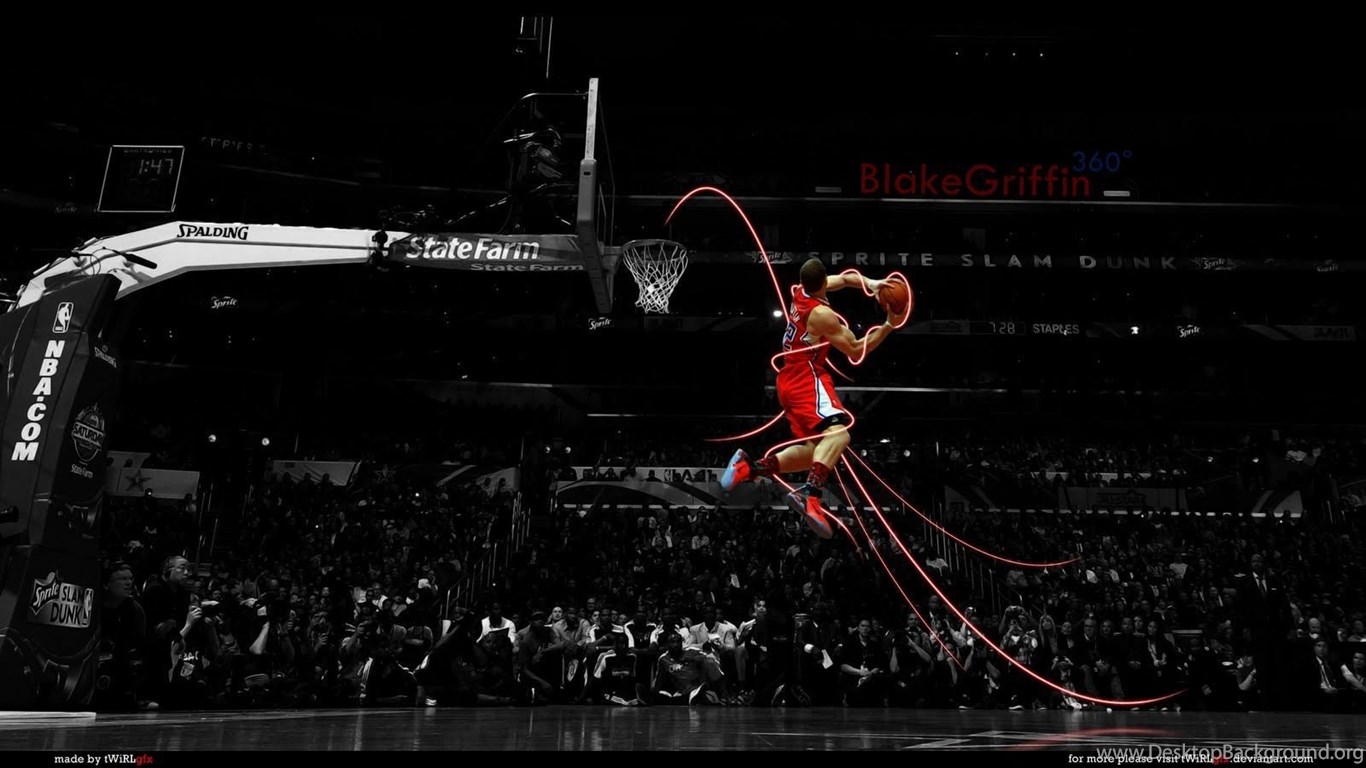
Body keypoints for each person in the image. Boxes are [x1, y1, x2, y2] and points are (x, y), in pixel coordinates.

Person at [721, 258, 902, 537]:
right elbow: (855, 350)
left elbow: (845, 279)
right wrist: (889, 324)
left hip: (788, 380)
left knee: (812, 452)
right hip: (807, 377)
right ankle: (811, 493)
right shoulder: (821, 315)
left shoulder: (801, 292)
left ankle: (750, 468)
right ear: (822, 282)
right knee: (839, 435)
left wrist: (872, 284)